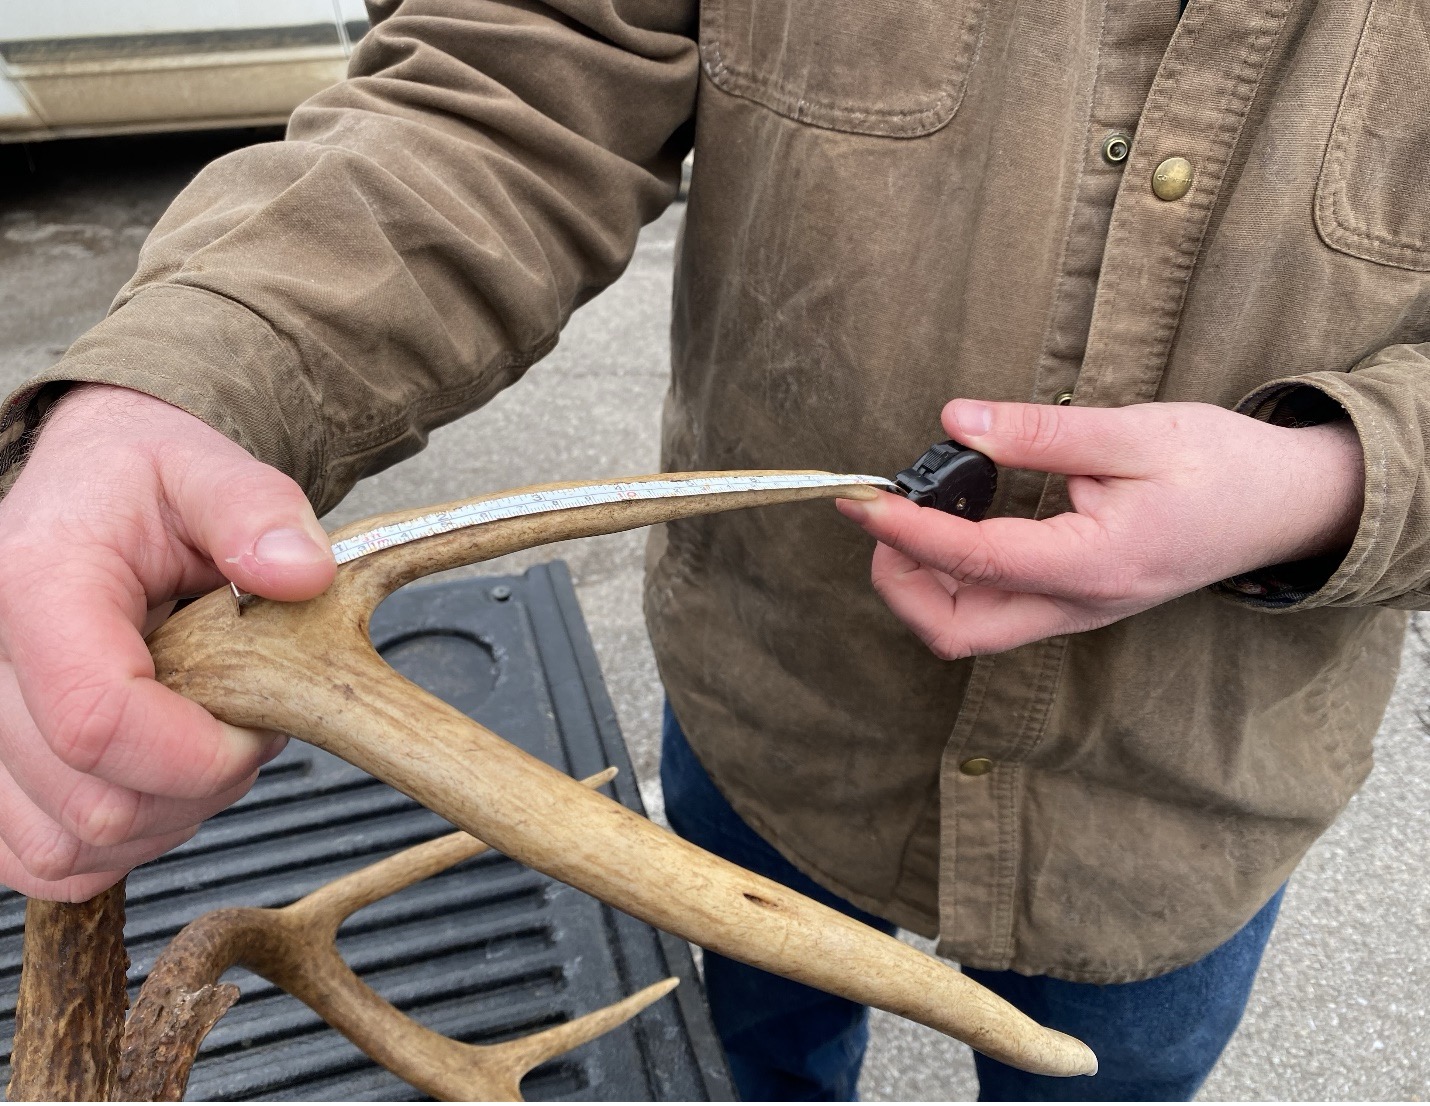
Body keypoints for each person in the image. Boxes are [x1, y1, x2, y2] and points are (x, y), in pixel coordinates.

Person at [0, 0, 1422, 1099]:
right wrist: (182, 377)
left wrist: (1329, 477)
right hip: (773, 723)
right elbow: (517, 67)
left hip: (1180, 808)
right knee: (757, 1060)